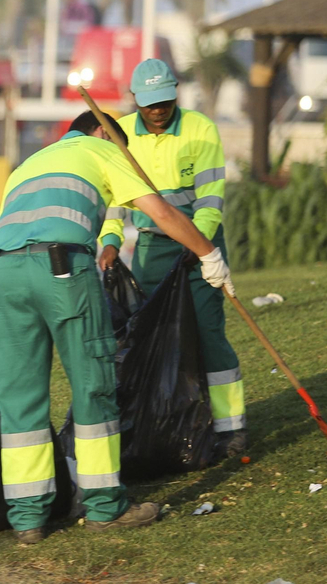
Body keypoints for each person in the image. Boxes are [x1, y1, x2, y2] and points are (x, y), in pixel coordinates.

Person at [0, 108, 233, 545]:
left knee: (19, 394)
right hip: (62, 268)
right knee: (93, 383)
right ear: (104, 132)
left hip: (6, 272)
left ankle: (27, 519)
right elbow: (160, 212)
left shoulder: (30, 165)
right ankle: (105, 506)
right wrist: (208, 254)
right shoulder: (102, 149)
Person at [97, 58, 246, 458]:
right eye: (149, 104)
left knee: (208, 333)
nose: (158, 110)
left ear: (176, 92)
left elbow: (211, 198)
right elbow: (114, 199)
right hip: (150, 247)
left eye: (164, 100)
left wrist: (199, 245)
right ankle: (165, 419)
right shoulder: (120, 133)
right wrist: (110, 240)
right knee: (151, 335)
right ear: (134, 101)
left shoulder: (200, 129)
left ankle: (231, 427)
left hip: (200, 244)